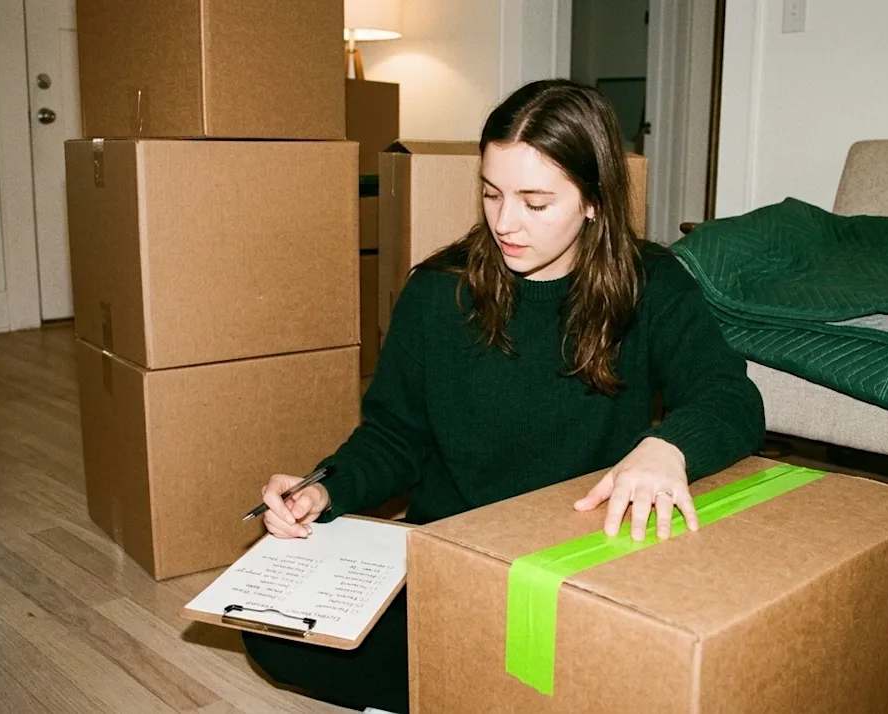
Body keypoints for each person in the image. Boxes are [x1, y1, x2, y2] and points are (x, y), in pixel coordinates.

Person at [241, 78, 765, 713]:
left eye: (535, 203)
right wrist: (325, 489)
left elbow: (730, 398)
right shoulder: (438, 292)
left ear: (594, 201)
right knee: (274, 632)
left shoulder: (651, 285)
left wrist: (668, 447)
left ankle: (473, 684)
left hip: (577, 567)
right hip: (454, 555)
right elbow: (393, 435)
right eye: (492, 193)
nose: (505, 223)